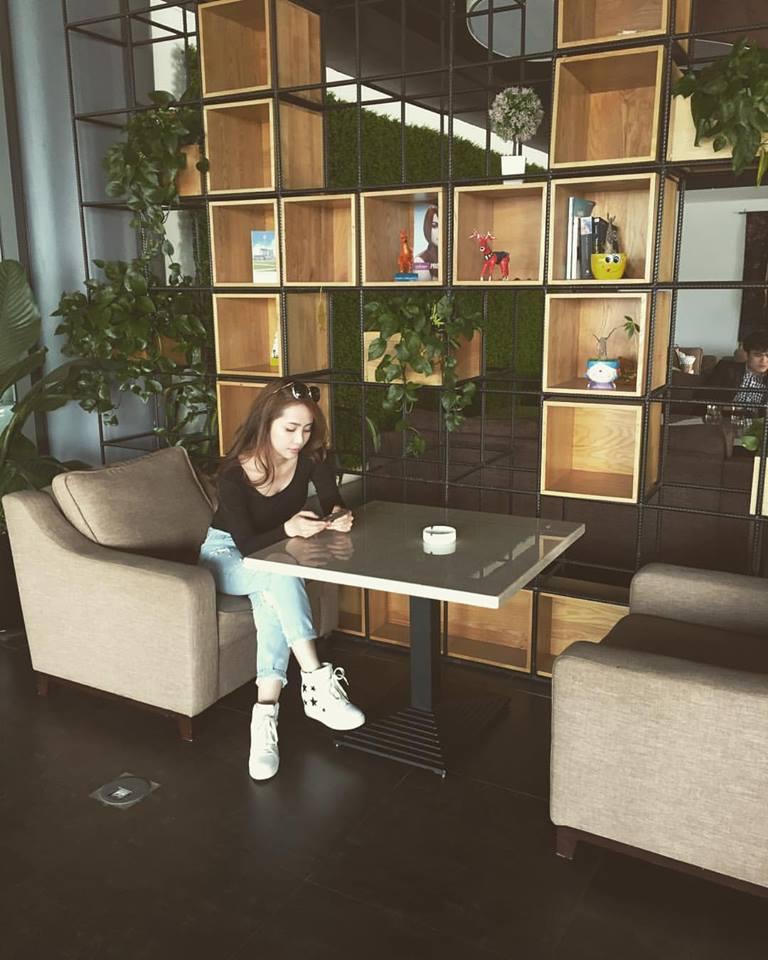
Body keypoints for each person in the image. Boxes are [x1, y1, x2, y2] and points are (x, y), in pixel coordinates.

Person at [198, 379, 365, 781]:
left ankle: (264, 719)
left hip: (272, 556)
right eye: (290, 429)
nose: (299, 439)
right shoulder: (234, 475)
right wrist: (289, 529)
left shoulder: (311, 459)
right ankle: (316, 682)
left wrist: (340, 515)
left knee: (272, 595)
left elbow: (333, 501)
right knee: (279, 573)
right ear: (265, 423)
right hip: (226, 555)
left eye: (306, 429)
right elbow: (246, 544)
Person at [702, 330, 768, 409]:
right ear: (747, 355)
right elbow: (703, 397)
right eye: (758, 355)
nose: (764, 360)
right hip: (725, 415)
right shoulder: (726, 369)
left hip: (757, 417)